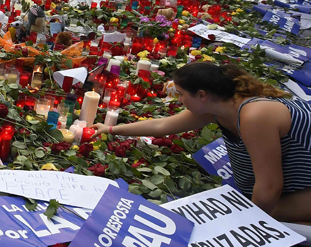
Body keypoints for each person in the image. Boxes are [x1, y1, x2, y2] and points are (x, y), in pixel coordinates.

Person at [92, 62, 311, 225]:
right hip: (289, 187)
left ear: (202, 95)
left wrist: (246, 223)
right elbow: (162, 126)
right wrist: (111, 129)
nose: (179, 101)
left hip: (301, 188)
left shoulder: (255, 115)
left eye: (181, 95)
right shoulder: (218, 109)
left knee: (247, 214)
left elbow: (270, 187)